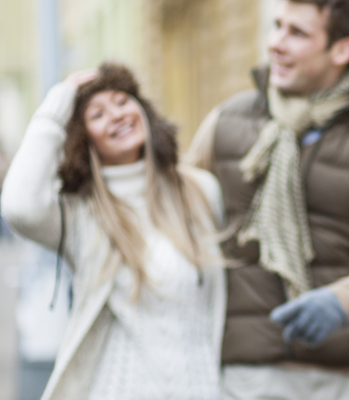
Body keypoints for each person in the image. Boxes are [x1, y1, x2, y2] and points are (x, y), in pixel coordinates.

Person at [186, 0, 349, 399]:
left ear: (342, 50)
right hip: (246, 375)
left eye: (296, 33)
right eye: (277, 26)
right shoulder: (226, 123)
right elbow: (176, 222)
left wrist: (344, 302)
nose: (276, 44)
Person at [1, 63, 226, 400]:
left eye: (123, 101)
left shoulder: (198, 192)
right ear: (83, 138)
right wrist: (56, 107)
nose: (117, 115)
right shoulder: (80, 215)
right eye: (98, 114)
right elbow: (20, 207)